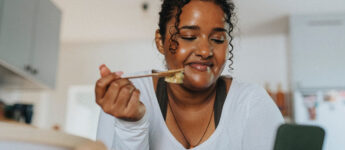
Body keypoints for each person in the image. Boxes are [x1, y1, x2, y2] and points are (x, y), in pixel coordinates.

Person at [95, 0, 284, 149]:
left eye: (217, 39)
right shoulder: (125, 98)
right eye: (188, 37)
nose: (205, 51)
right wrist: (131, 126)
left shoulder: (251, 103)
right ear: (161, 42)